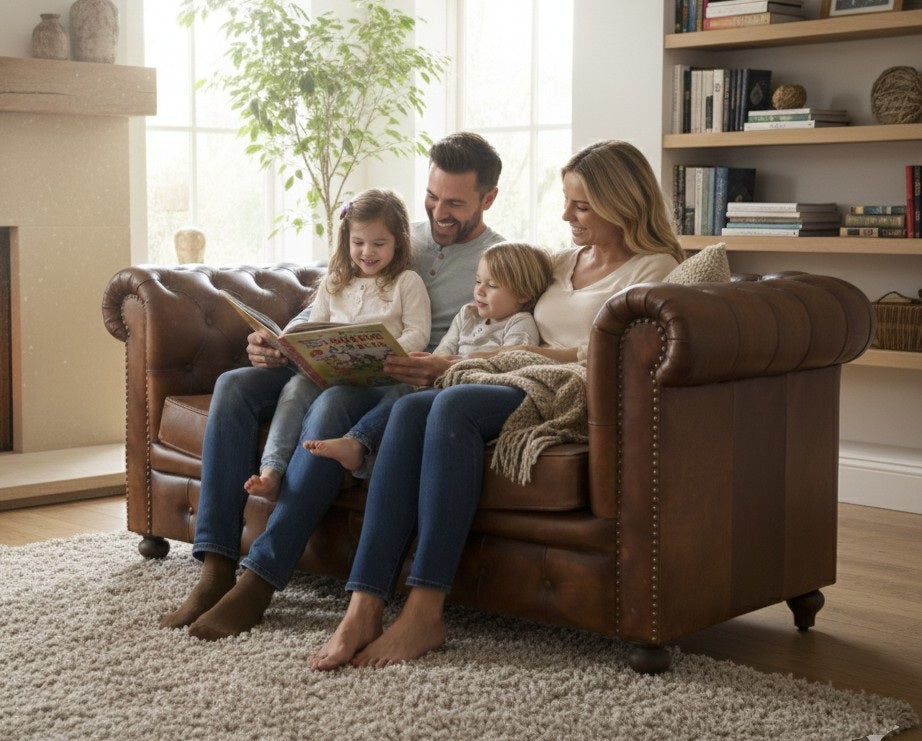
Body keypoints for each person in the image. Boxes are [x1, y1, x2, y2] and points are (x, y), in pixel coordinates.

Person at [306, 139, 685, 670]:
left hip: (563, 387)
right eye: (566, 202)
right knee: (415, 407)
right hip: (506, 373)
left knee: (452, 404)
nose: (566, 216)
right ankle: (364, 604)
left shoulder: (655, 267)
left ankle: (424, 610)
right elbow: (501, 301)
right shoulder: (559, 262)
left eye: (581, 206)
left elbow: (613, 348)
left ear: (623, 202)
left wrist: (513, 354)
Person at [159, 131, 505, 640]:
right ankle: (215, 567)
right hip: (336, 360)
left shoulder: (500, 259)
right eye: (433, 197)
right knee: (234, 384)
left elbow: (506, 336)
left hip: (396, 382)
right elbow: (333, 300)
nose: (439, 211)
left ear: (488, 199)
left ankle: (261, 578)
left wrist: (438, 363)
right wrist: (277, 343)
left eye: (455, 202)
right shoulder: (394, 234)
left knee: (332, 406)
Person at [242, 188, 430, 501]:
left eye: (379, 243)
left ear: (398, 242)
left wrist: (389, 352)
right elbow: (314, 328)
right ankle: (271, 470)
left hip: (381, 377)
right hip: (331, 374)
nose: (367, 251)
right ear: (346, 241)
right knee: (294, 390)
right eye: (358, 242)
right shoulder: (334, 281)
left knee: (333, 399)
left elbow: (418, 332)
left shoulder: (407, 282)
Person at [304, 241, 554, 472]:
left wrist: (447, 367)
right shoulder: (467, 314)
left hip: (472, 387)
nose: (480, 291)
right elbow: (444, 349)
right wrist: (427, 365)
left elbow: (510, 364)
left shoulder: (520, 323)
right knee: (403, 389)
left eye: (492, 285)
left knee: (408, 401)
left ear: (523, 295)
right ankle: (360, 446)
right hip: (444, 378)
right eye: (478, 281)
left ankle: (358, 444)